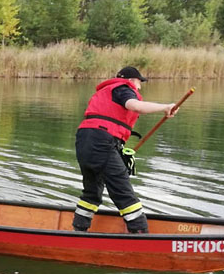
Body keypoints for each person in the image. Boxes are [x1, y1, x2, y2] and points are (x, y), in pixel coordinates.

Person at [72, 66, 177, 234]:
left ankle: (79, 229)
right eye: (139, 82)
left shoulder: (107, 91)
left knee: (92, 191)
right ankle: (140, 232)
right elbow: (135, 106)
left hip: (85, 140)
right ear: (131, 80)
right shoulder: (123, 89)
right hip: (101, 141)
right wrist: (165, 107)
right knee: (122, 188)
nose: (140, 86)